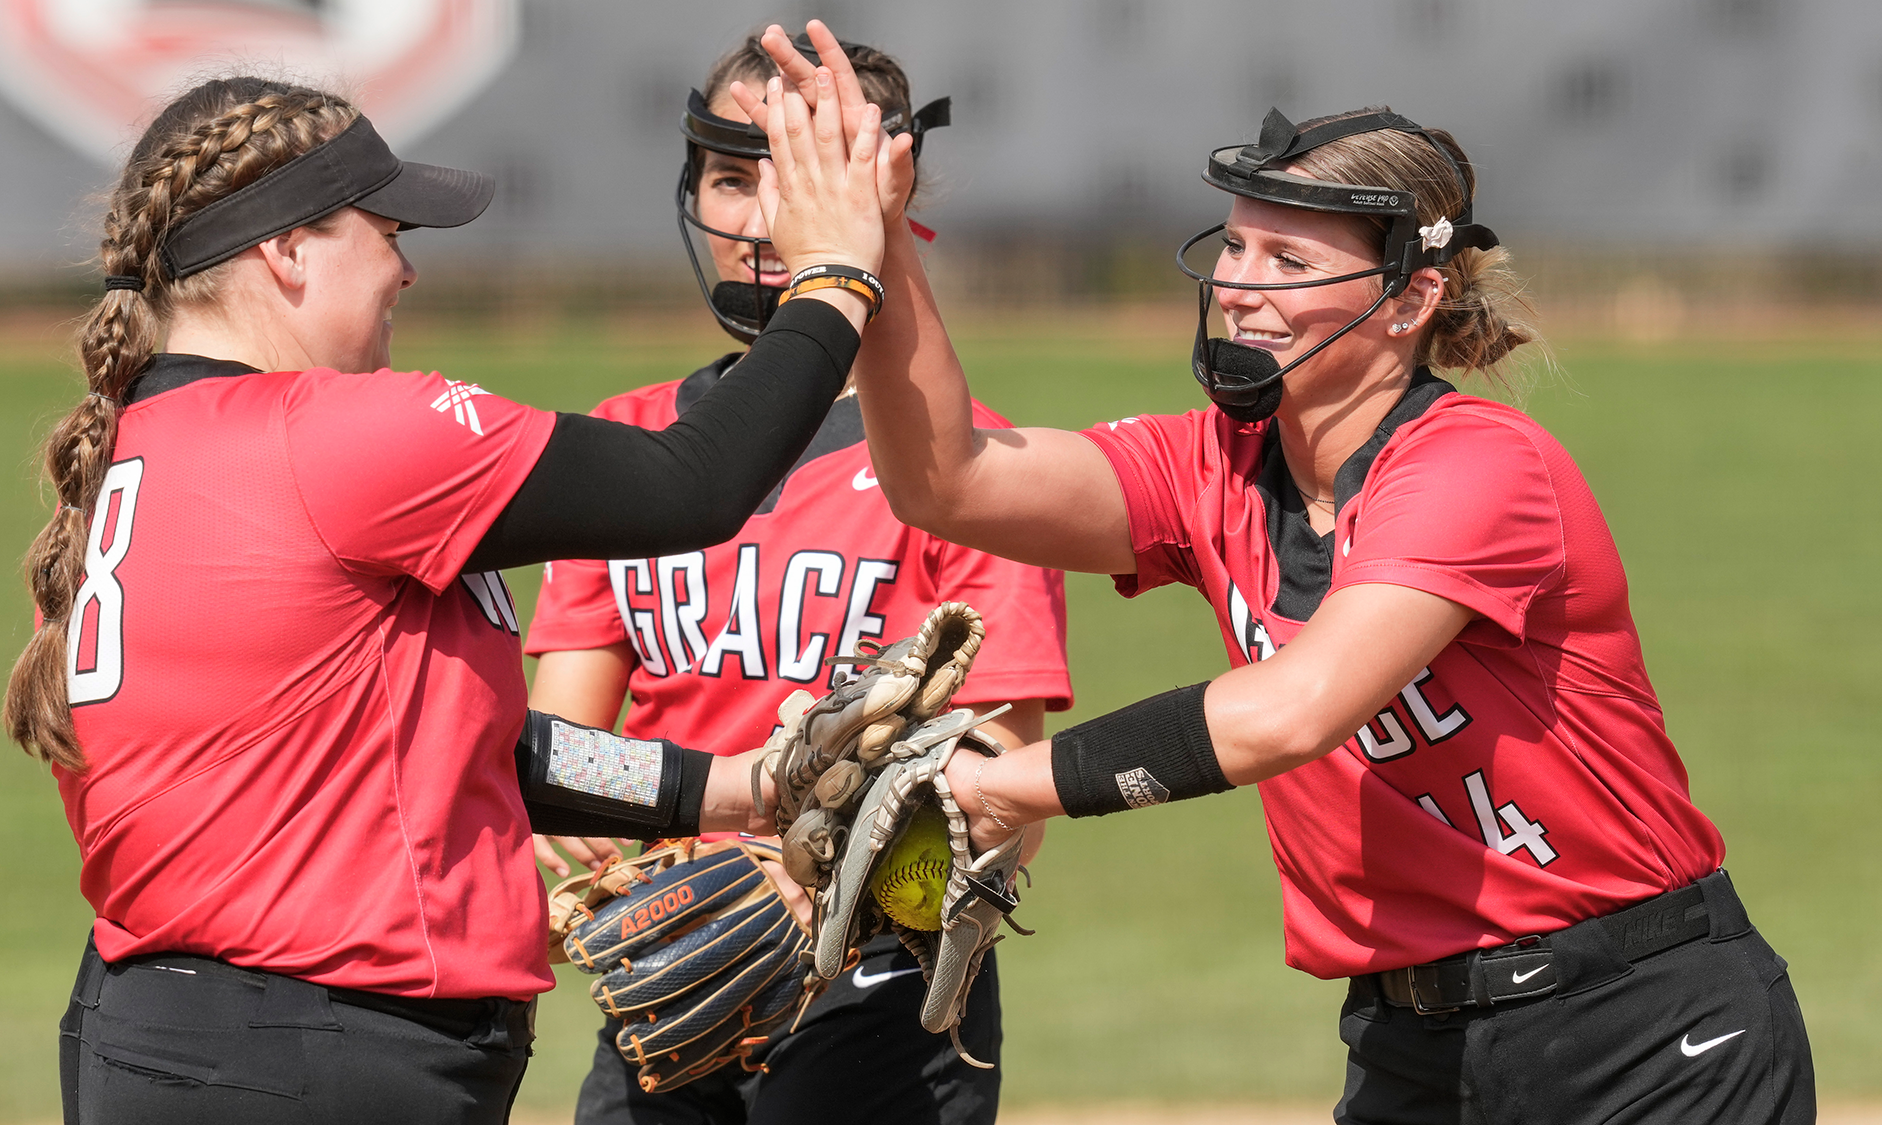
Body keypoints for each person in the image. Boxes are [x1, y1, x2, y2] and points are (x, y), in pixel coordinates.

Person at [742, 26, 1815, 1124]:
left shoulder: (1476, 465)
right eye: (1236, 250)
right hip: (1411, 1044)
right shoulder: (1211, 462)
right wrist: (873, 240)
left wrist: (994, 783)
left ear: (1407, 301)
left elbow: (1289, 712)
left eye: (1288, 262)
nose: (1240, 288)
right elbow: (947, 481)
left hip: (1643, 1030)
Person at [2, 70, 889, 1124]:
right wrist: (835, 279)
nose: (409, 267)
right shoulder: (337, 436)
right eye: (384, 229)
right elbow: (693, 483)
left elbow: (459, 747)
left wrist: (730, 788)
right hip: (314, 1055)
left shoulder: (142, 448)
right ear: (287, 250)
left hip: (175, 1035)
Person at [526, 30, 1071, 1125]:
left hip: (882, 989)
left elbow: (1003, 784)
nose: (761, 217)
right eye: (732, 176)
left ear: (884, 189)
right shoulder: (623, 445)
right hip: (671, 967)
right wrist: (593, 829)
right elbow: (567, 748)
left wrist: (821, 886)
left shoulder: (964, 471)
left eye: (802, 175)